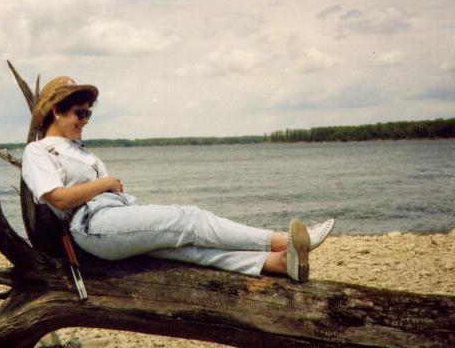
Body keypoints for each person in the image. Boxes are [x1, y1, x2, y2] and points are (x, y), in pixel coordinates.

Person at [21, 76, 334, 282]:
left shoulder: (80, 150)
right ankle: (285, 240)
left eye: (89, 114)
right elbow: (58, 198)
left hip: (115, 218)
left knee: (185, 247)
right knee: (189, 219)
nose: (85, 121)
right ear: (56, 112)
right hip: (91, 226)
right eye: (79, 113)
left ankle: (278, 263)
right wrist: (105, 183)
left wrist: (112, 190)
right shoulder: (38, 151)